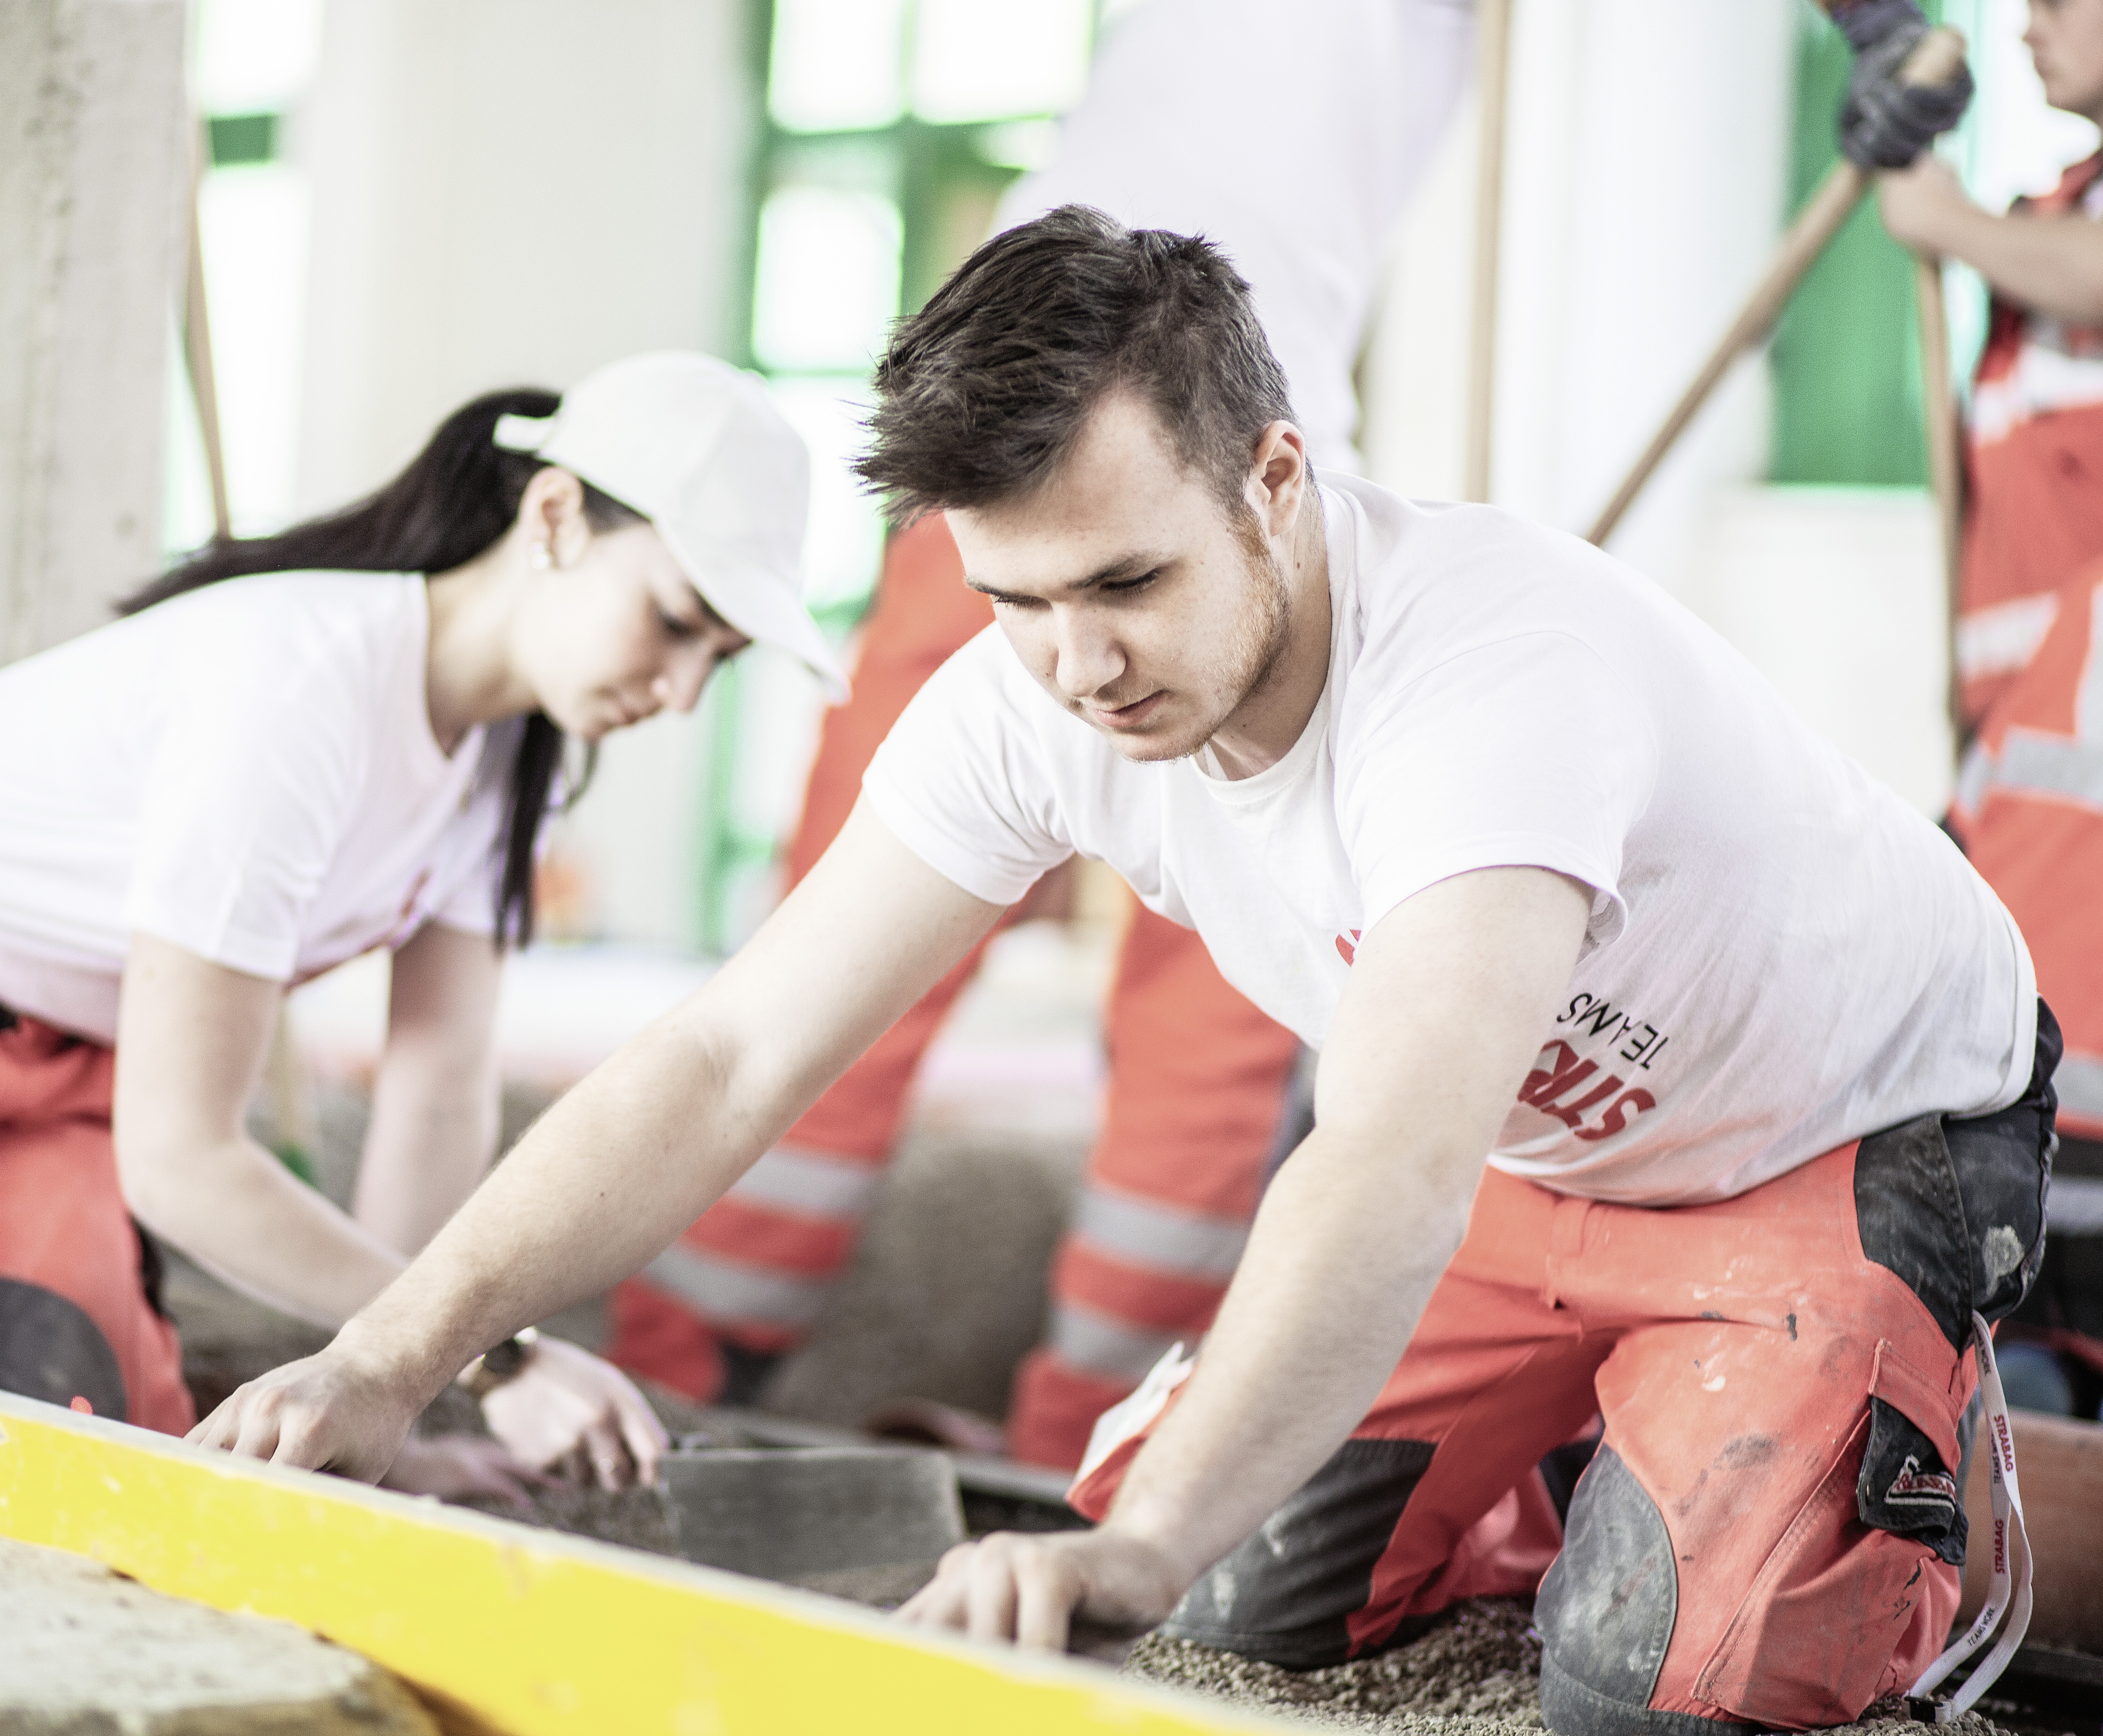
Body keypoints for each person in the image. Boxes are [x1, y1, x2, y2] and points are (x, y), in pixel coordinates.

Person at [191, 210, 2051, 1732]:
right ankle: (1602, 1453)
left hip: (1843, 1143)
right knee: (1218, 1609)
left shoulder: (1490, 683)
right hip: (1533, 1177)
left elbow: (1386, 1163)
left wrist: (1143, 1535)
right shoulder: (1027, 697)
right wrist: (395, 1352)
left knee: (1669, 1690)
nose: (1075, 668)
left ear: (1274, 479)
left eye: (1126, 587)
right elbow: (728, 1061)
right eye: (1016, 602)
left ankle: (1857, 1461)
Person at [611, 0, 1980, 1471]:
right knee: (876, 928)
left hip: (1218, 439)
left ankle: (1095, 1446)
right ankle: (719, 1377)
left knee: (1224, 1005)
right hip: (1048, 431)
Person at [0, 352, 845, 1497]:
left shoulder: (515, 767)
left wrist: (398, 1408)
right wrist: (497, 1363)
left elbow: (437, 1096)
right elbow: (182, 1157)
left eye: (718, 660)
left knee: (103, 1469)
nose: (681, 694)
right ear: (557, 516)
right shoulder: (300, 688)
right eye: (676, 622)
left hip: (49, 1081)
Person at [1880, 0, 2103, 1417]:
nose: (2027, 18)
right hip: (2019, 801)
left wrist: (1942, 217)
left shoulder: (2039, 240)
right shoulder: (2053, 217)